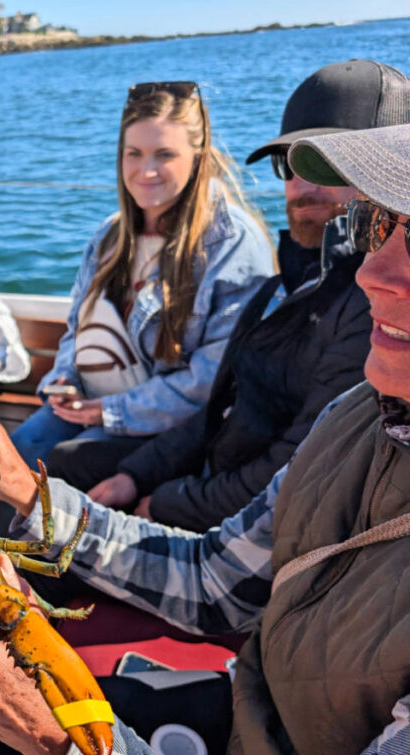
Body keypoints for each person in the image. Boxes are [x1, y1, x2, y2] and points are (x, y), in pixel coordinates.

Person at [0, 122, 410, 755]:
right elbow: (212, 579)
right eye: (381, 227)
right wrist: (32, 496)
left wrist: (56, 743)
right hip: (253, 709)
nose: (372, 273)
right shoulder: (358, 416)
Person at [80, 60, 401, 529]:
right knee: (57, 471)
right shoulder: (280, 289)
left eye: (326, 163)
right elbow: (219, 410)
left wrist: (166, 503)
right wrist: (136, 474)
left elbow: (293, 469)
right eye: (288, 163)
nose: (301, 185)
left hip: (245, 526)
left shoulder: (372, 308)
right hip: (209, 480)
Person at [10, 80, 274, 475]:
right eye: (134, 154)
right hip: (90, 407)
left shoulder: (231, 243)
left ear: (198, 157)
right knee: (10, 456)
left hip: (168, 428)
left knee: (63, 467)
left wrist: (111, 412)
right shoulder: (108, 238)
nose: (146, 170)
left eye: (164, 154)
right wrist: (65, 377)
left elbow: (215, 377)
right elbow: (75, 330)